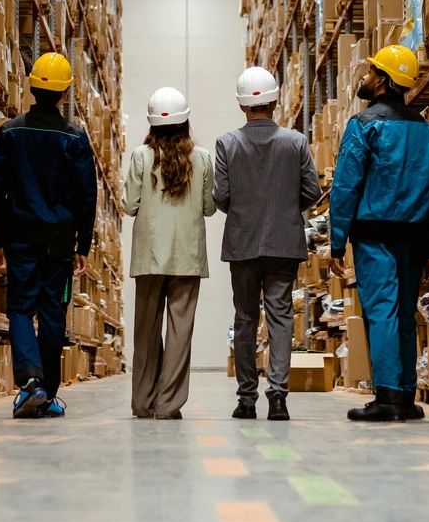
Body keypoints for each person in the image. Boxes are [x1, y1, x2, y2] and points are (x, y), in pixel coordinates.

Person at [327, 44, 429, 424]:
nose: (365, 76)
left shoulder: (364, 125)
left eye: (371, 71)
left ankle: (388, 396)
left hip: (375, 236)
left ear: (382, 81)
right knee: (405, 313)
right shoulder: (426, 131)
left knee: (381, 312)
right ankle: (406, 396)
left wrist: (337, 241)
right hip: (413, 236)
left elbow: (346, 186)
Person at [0, 51, 98, 420]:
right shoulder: (74, 137)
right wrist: (83, 244)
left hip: (20, 237)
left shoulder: (11, 132)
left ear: (32, 87)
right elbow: (87, 195)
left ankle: (30, 380)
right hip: (60, 242)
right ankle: (46, 393)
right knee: (52, 313)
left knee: (20, 307)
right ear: (64, 93)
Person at [212, 65, 320, 421]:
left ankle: (247, 399)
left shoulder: (226, 144)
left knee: (245, 318)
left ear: (242, 104)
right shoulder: (296, 142)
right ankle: (277, 397)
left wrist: (245, 211)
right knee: (281, 317)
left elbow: (221, 196)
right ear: (275, 101)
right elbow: (312, 191)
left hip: (242, 242)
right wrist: (286, 209)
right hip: (284, 242)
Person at [122, 87, 216, 420]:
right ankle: (168, 405)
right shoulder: (202, 158)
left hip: (149, 256)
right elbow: (209, 208)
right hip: (187, 256)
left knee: (146, 332)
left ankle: (143, 403)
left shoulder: (141, 157)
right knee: (180, 332)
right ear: (185, 121)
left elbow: (129, 205)